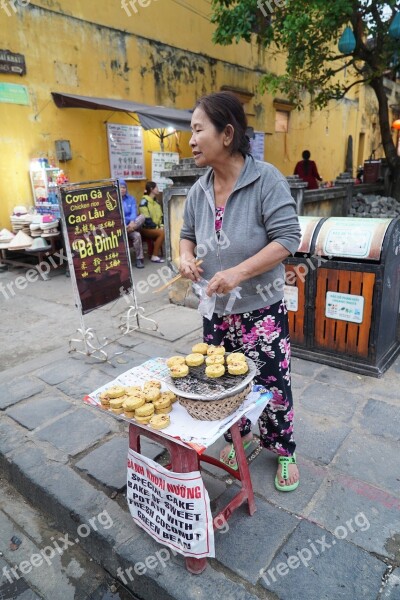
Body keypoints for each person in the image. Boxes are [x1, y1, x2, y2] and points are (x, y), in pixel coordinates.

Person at [179, 91, 301, 492]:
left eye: (199, 130)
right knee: (227, 385)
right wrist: (186, 258)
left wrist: (238, 273)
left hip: (259, 311)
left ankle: (283, 450)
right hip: (215, 311)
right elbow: (185, 237)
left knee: (271, 382)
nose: (191, 139)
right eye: (190, 131)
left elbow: (288, 239)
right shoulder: (198, 190)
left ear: (227, 133)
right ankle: (242, 438)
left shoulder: (265, 179)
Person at [119, 179, 145, 269]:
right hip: (121, 226)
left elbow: (134, 212)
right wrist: (128, 220)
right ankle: (126, 230)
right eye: (120, 187)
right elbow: (119, 216)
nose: (122, 189)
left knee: (142, 217)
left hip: (131, 225)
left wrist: (132, 221)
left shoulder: (131, 199)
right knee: (137, 234)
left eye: (124, 187)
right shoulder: (113, 200)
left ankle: (139, 259)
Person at [139, 182, 165, 263]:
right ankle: (155, 255)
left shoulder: (156, 201)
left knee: (164, 231)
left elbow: (161, 216)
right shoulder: (144, 202)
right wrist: (158, 228)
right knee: (162, 233)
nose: (158, 189)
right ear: (151, 189)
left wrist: (161, 225)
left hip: (156, 228)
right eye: (156, 188)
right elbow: (146, 219)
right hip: (146, 228)